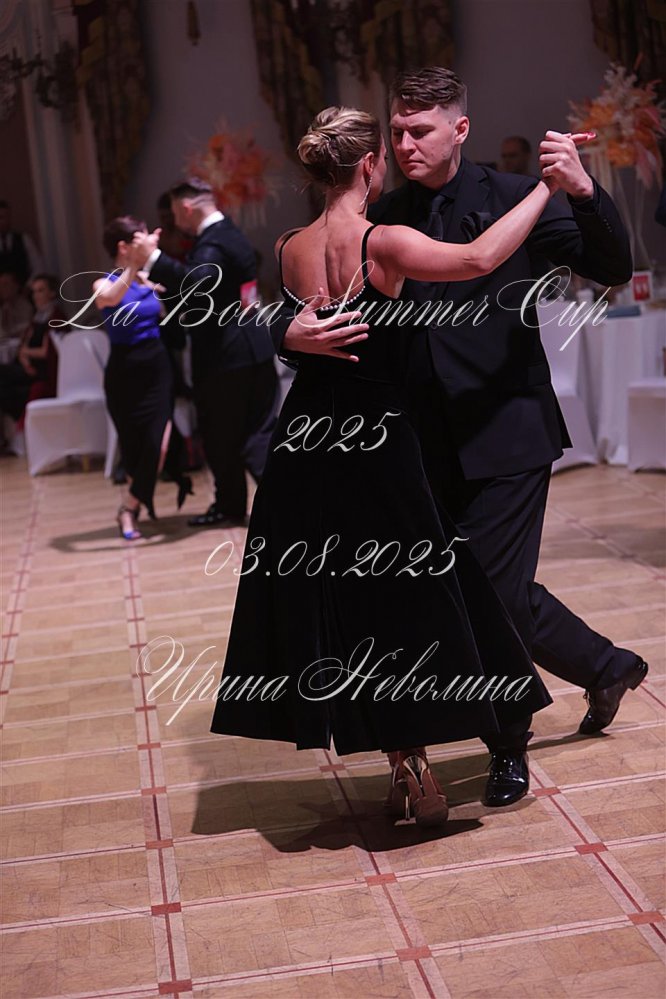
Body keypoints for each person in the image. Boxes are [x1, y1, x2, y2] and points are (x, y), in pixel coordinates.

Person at [266, 68, 647, 809]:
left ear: (460, 129)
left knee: (491, 596)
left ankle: (507, 746)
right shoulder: (382, 214)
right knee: (473, 590)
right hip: (414, 444)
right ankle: (606, 666)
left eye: (421, 130)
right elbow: (316, 302)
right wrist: (288, 334)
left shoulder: (513, 195)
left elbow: (609, 266)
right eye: (397, 131)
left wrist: (581, 190)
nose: (406, 143)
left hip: (507, 430)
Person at [131, 178, 278, 528]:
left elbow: (199, 282)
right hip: (254, 348)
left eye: (173, 213)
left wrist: (152, 258)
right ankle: (271, 506)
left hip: (226, 357)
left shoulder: (212, 243)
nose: (172, 221)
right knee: (257, 432)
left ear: (186, 208)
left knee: (224, 436)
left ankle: (253, 507)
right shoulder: (232, 233)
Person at [93, 217, 192, 540]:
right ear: (123, 247)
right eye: (140, 237)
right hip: (124, 373)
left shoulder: (149, 280)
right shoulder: (104, 283)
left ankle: (129, 507)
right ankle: (131, 508)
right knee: (135, 447)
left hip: (157, 367)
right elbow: (109, 299)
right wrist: (135, 268)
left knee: (157, 444)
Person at [0, 274, 63, 443]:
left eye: (41, 291)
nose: (36, 295)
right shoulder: (37, 316)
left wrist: (26, 354)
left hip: (45, 370)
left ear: (51, 293)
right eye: (34, 291)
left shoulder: (55, 316)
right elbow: (23, 345)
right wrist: (25, 359)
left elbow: (48, 351)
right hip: (30, 368)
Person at [0, 201, 44, 286]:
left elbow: (38, 266)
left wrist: (28, 285)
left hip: (24, 288)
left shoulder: (24, 239)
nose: (2, 221)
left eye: (5, 217)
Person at [0, 271, 34, 347]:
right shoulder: (3, 307)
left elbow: (27, 328)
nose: (1, 288)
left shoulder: (24, 306)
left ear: (15, 286)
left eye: (5, 284)